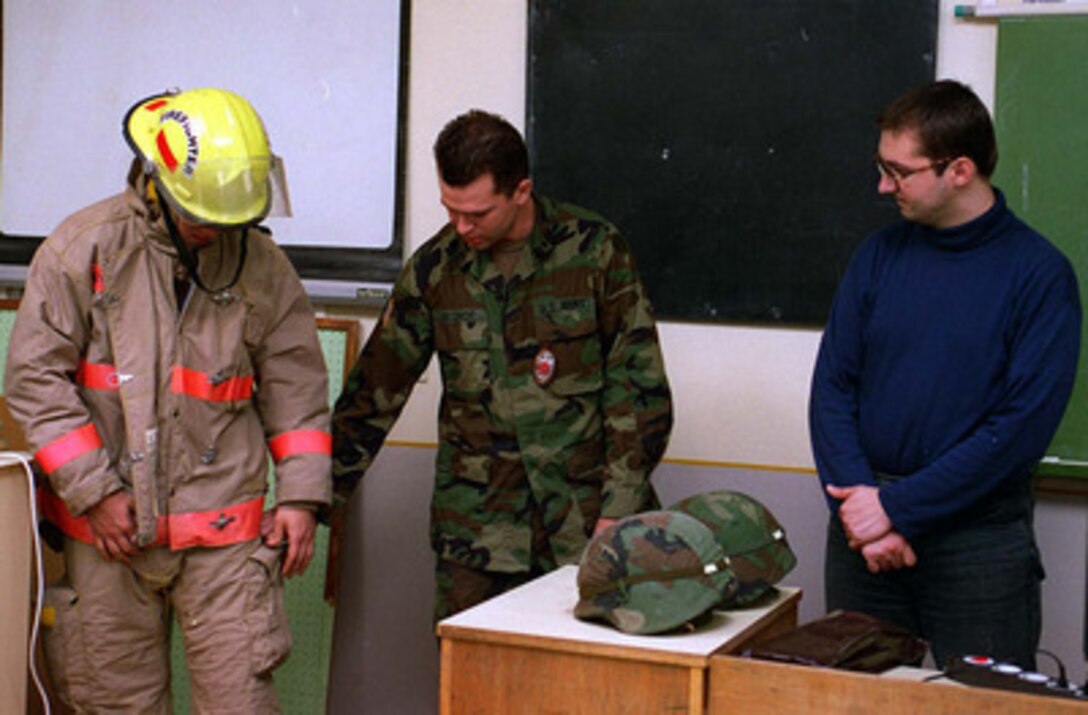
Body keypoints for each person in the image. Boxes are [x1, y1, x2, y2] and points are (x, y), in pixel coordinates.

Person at [4, 88, 332, 712]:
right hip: (109, 541)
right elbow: (33, 381)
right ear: (159, 184)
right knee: (116, 704)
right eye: (204, 219)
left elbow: (300, 391)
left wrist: (302, 498)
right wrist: (94, 492)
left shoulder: (260, 264)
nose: (217, 235)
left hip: (226, 541)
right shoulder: (82, 250)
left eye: (230, 221)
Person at [331, 109, 672, 620]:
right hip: (477, 537)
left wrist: (618, 512)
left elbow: (638, 390)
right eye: (450, 210)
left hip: (584, 525)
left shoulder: (595, 252)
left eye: (478, 214)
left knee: (585, 692)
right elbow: (372, 395)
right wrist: (309, 500)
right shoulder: (434, 271)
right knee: (473, 690)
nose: (461, 226)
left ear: (521, 190)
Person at [809, 79, 1081, 669]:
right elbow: (832, 388)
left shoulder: (1038, 275)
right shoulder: (878, 256)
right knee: (851, 701)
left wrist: (897, 508)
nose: (883, 186)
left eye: (898, 171)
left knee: (982, 708)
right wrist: (866, 514)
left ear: (959, 170)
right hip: (863, 528)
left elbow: (1016, 433)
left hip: (977, 541)